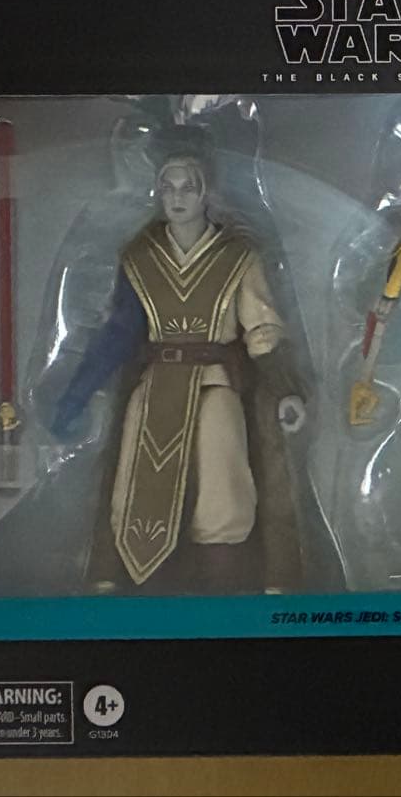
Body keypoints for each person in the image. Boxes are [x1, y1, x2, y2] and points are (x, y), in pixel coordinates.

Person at [53, 142, 306, 593]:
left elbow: (262, 331)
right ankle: (133, 588)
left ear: (206, 192)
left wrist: (286, 389)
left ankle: (224, 584)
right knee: (136, 491)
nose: (177, 197)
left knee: (223, 491)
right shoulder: (141, 257)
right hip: (155, 391)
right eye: (168, 187)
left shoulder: (237, 257)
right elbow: (119, 333)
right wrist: (76, 396)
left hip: (214, 385)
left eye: (188, 187)